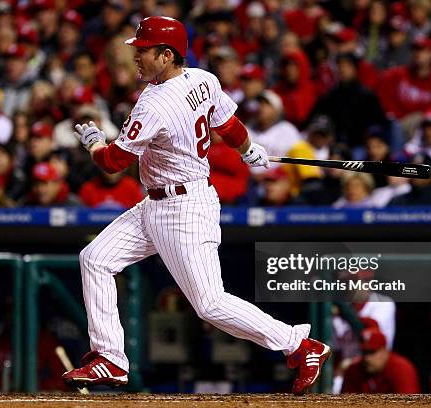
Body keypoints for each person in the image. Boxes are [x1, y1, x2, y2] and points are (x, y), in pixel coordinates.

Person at [61, 16, 331, 395]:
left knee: (210, 304)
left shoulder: (153, 103)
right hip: (155, 204)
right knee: (95, 259)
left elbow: (112, 163)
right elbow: (230, 125)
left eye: (143, 51)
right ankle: (111, 359)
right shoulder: (204, 79)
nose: (135, 57)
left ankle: (300, 346)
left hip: (185, 210)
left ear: (167, 55)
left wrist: (92, 141)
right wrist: (248, 150)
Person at [341, 327, 420, 393]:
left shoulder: (401, 368)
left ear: (384, 351)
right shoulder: (353, 370)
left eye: (372, 352)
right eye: (364, 352)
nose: (367, 358)